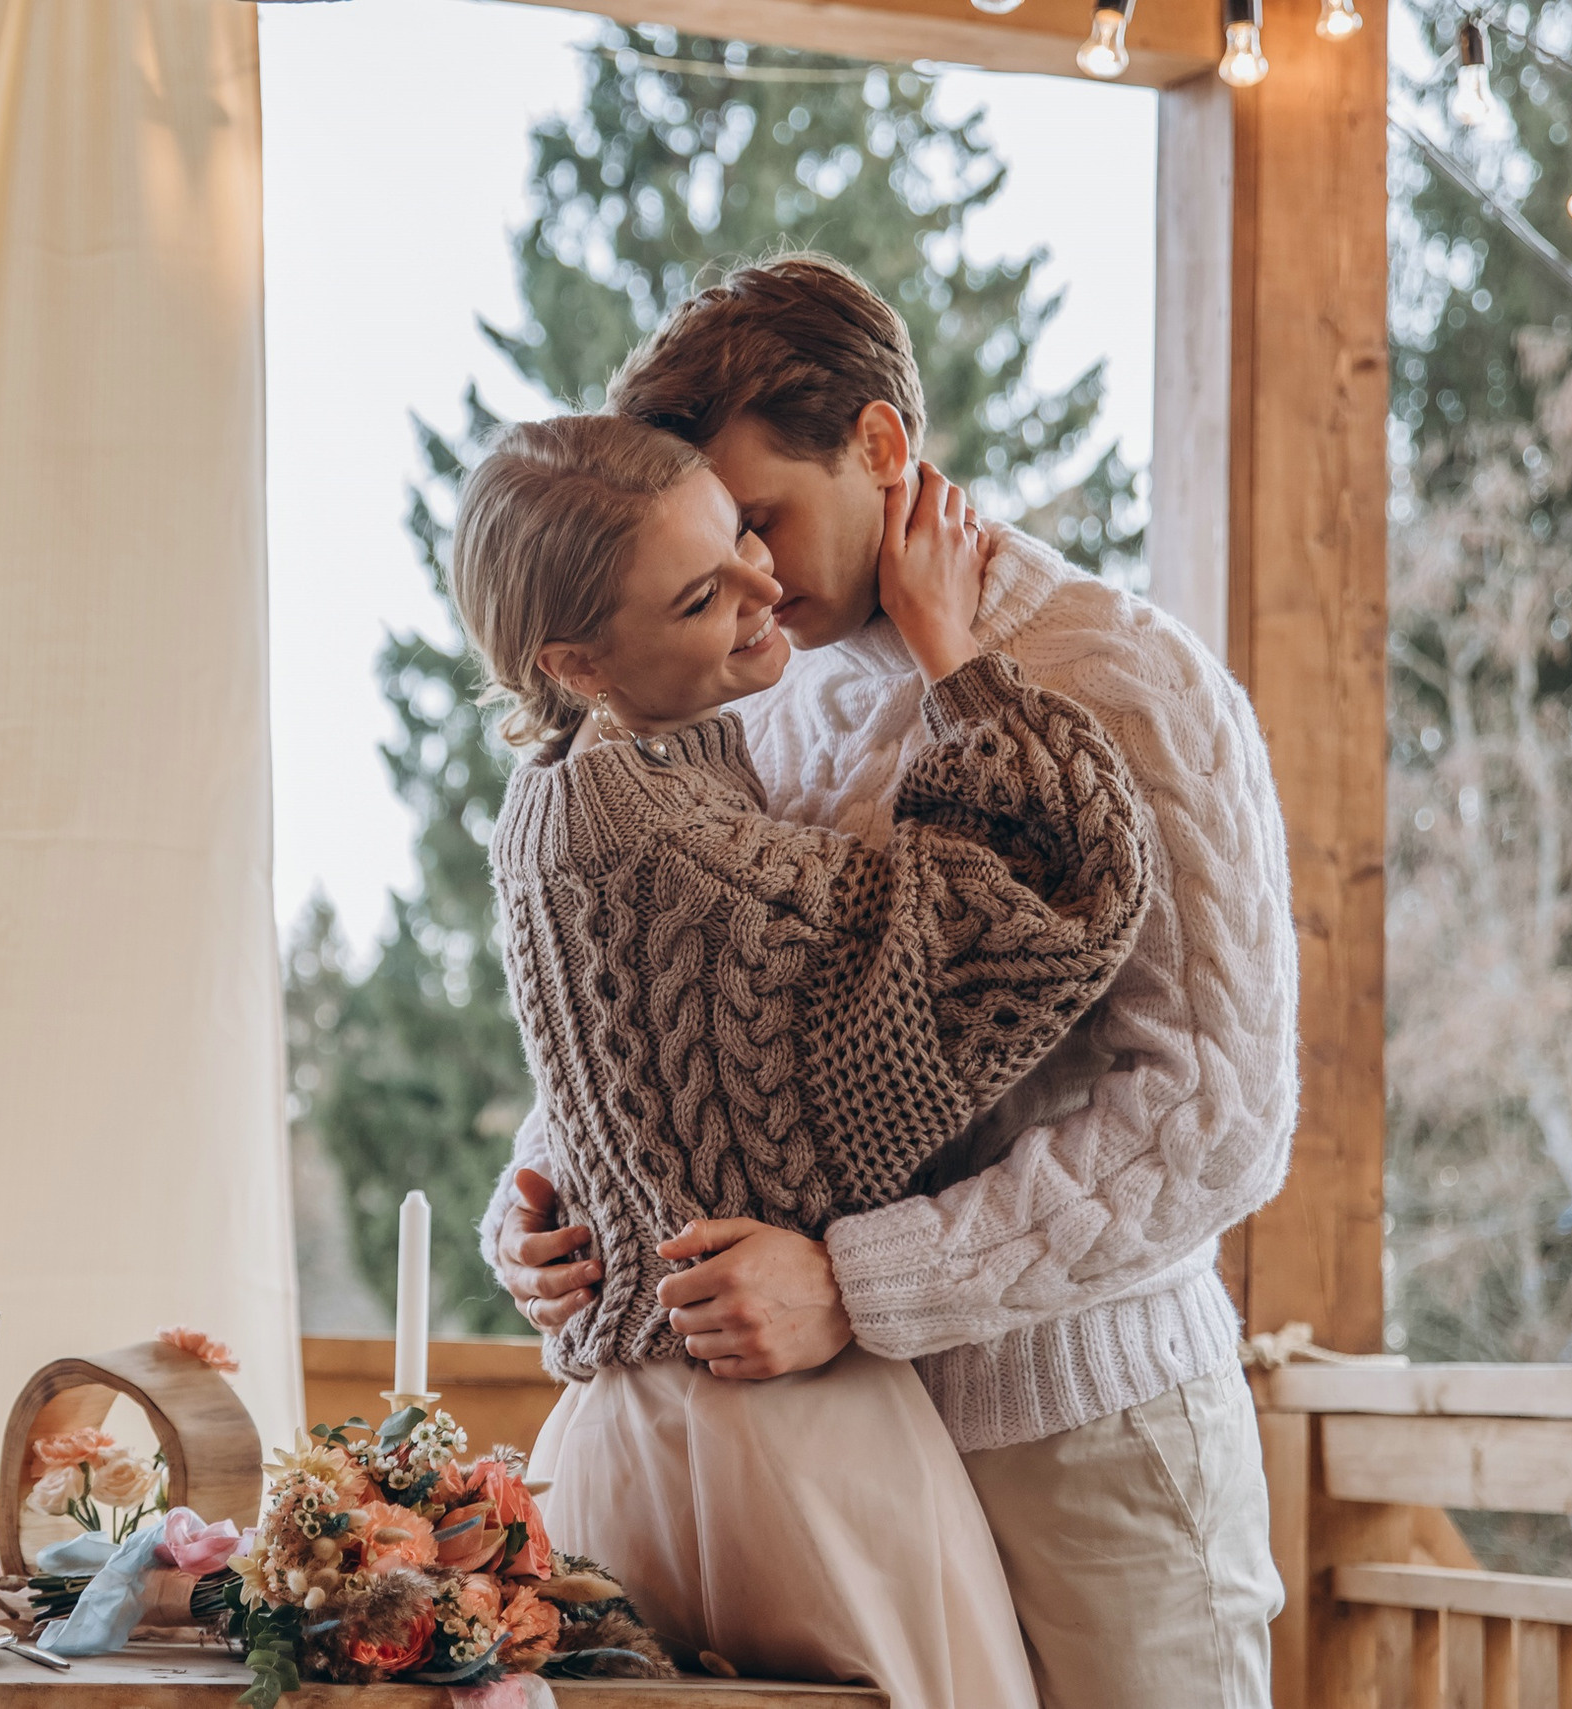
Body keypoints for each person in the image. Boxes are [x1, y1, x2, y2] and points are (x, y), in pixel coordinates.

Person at [485, 253, 1294, 1709]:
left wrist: (863, 1287)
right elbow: (718, 1010)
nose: (752, 578)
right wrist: (553, 1197)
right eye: (721, 537)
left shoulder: (1130, 678)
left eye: (767, 522)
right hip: (847, 1467)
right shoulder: (751, 686)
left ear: (879, 444)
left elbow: (1219, 1115)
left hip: (1098, 1450)